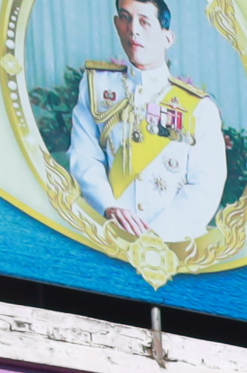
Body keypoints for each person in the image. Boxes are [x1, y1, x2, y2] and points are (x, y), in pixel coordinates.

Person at [69, 0, 229, 246]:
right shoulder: (97, 88)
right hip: (108, 238)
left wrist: (153, 239)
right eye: (125, 18)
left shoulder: (199, 108)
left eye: (144, 22)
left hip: (171, 245)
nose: (133, 30)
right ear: (116, 24)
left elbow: (206, 186)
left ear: (167, 38)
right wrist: (108, 206)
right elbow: (84, 157)